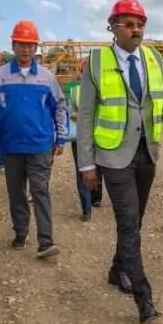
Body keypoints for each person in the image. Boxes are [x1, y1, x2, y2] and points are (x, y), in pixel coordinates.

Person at [77, 0, 163, 324]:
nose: (136, 29)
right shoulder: (96, 62)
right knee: (127, 221)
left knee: (134, 219)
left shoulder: (154, 59)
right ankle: (144, 297)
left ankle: (116, 270)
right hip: (112, 155)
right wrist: (87, 164)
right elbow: (85, 116)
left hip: (146, 152)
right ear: (113, 27)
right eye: (128, 23)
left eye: (140, 24)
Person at [0, 20, 67, 256]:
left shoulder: (47, 78)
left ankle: (46, 241)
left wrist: (61, 136)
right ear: (13, 45)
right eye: (21, 44)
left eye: (30, 45)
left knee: (40, 191)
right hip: (11, 146)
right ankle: (20, 232)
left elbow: (59, 107)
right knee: (16, 193)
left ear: (36, 47)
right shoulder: (0, 76)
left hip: (40, 145)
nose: (26, 49)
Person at [67, 59, 103, 221]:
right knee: (98, 167)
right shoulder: (104, 89)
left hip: (81, 137)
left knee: (82, 169)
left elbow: (70, 115)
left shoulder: (75, 92)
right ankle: (95, 199)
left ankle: (87, 208)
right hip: (100, 135)